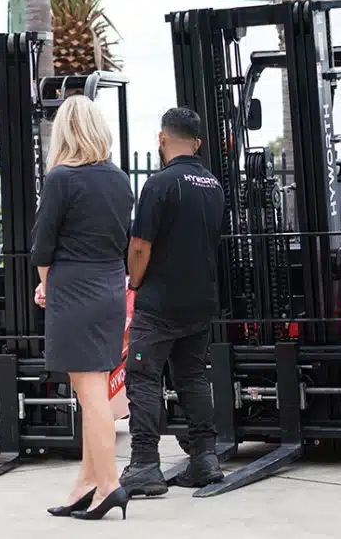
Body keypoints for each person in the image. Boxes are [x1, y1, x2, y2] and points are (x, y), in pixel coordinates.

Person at [31, 95, 134, 521]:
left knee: (90, 393)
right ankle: (87, 482)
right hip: (110, 285)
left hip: (74, 288)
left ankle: (108, 483)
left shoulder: (60, 179)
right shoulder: (119, 178)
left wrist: (46, 284)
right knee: (92, 387)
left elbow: (42, 244)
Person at [119, 107, 226, 496]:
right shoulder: (213, 185)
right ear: (197, 143)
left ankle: (145, 463)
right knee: (193, 376)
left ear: (162, 139)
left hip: (160, 302)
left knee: (143, 377)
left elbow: (140, 246)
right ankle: (205, 458)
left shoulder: (160, 184)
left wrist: (135, 283)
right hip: (200, 301)